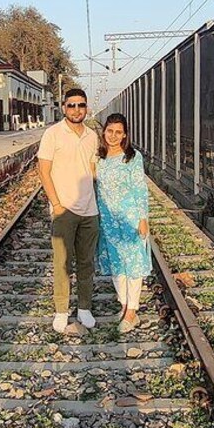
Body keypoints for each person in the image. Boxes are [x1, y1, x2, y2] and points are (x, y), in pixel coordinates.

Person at [37, 89, 100, 333]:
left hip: (89, 210)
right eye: (71, 105)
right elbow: (44, 170)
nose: (76, 110)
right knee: (62, 263)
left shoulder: (92, 136)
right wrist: (57, 205)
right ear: (64, 107)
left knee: (86, 262)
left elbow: (94, 171)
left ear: (86, 108)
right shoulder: (52, 134)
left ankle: (84, 307)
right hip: (64, 210)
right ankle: (61, 310)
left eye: (80, 105)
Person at [95, 113, 151, 333]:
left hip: (130, 217)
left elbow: (140, 188)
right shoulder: (98, 158)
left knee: (134, 262)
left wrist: (142, 218)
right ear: (104, 132)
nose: (113, 136)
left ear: (125, 135)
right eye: (110, 131)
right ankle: (124, 305)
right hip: (108, 219)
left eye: (118, 132)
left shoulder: (132, 157)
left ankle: (132, 311)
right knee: (116, 262)